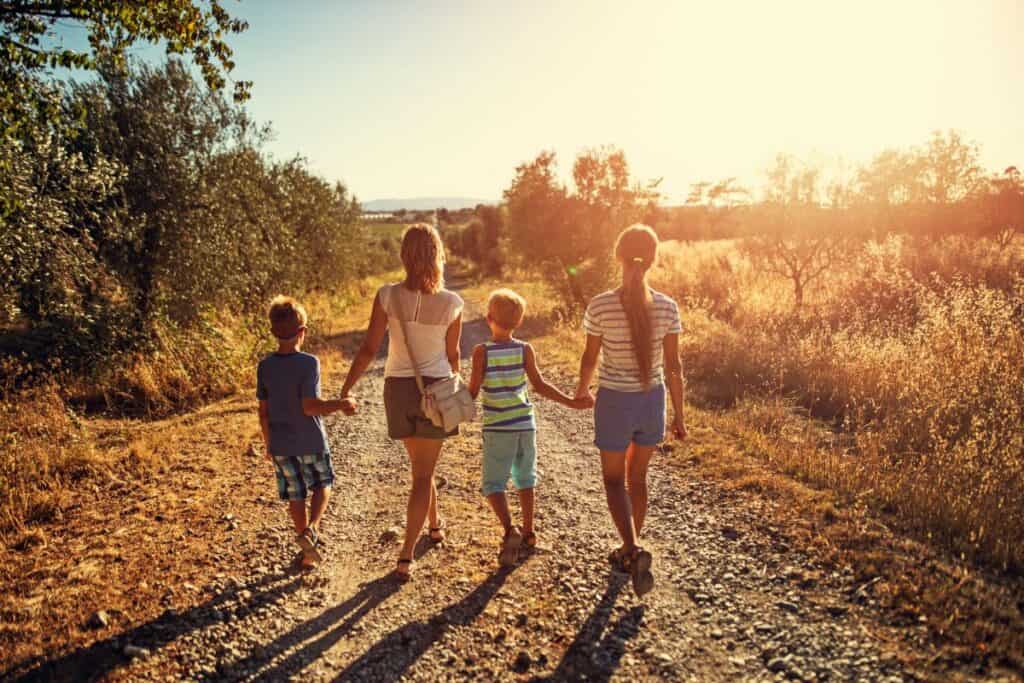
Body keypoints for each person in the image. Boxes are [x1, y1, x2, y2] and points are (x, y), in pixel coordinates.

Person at [339, 223, 463, 581]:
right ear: (437, 256)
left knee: (421, 469)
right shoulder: (452, 303)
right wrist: (460, 393)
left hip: (398, 389)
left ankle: (435, 525)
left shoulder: (387, 296)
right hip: (437, 389)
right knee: (423, 474)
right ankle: (406, 555)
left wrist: (347, 388)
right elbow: (453, 356)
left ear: (404, 256)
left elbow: (367, 349)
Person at [573, 224, 687, 596]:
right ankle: (627, 548)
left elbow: (590, 356)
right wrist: (680, 417)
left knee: (612, 481)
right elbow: (674, 367)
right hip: (652, 401)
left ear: (618, 257)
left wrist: (580, 390)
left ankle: (633, 548)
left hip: (615, 402)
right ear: (653, 259)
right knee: (637, 480)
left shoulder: (601, 305)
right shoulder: (669, 307)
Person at [467, 289, 592, 566]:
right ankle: (530, 532)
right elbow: (540, 385)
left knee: (493, 484)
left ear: (489, 318)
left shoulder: (481, 352)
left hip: (498, 428)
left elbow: (473, 392)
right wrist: (570, 402)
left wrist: (448, 403)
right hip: (526, 425)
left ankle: (510, 530)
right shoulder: (525, 349)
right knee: (526, 478)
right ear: (519, 322)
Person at [257, 296, 353, 569]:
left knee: (295, 494)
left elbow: (262, 412)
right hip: (311, 440)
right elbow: (310, 407)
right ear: (303, 332)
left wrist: (268, 444)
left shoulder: (265, 367)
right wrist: (343, 404)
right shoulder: (309, 363)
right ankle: (312, 528)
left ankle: (306, 550)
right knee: (323, 484)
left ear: (274, 332)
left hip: (281, 445)